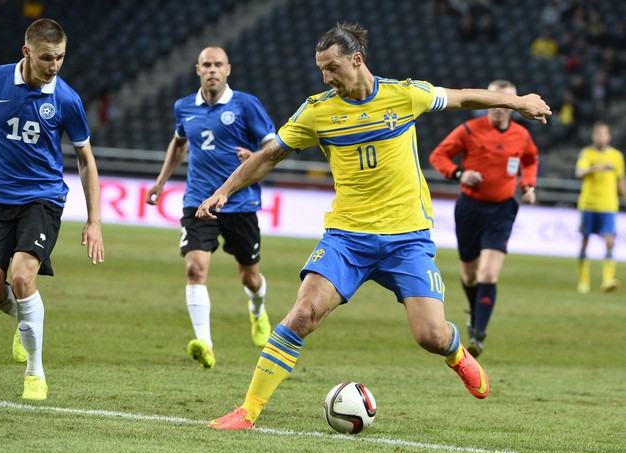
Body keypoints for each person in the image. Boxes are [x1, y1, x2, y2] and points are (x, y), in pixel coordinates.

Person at [196, 23, 551, 429]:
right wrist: (225, 190)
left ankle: (455, 352)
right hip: (347, 238)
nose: (327, 78)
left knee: (430, 336)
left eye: (332, 68)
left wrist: (519, 101)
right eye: (321, 70)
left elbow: (463, 97)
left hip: (407, 239)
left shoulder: (405, 94)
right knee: (302, 314)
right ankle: (248, 411)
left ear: (356, 60)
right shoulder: (317, 111)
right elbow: (269, 154)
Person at [0, 18, 104, 400]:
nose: (55, 66)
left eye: (60, 57)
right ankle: (25, 316)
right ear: (26, 52)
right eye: (47, 58)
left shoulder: (66, 99)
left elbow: (86, 159)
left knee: (23, 278)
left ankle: (35, 373)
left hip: (41, 201)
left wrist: (94, 221)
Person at [145, 47, 275, 369]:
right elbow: (179, 143)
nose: (213, 70)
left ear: (228, 69)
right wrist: (161, 181)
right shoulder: (184, 107)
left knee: (250, 278)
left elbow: (273, 146)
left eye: (218, 65)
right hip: (198, 201)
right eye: (207, 65)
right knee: (195, 269)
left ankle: (257, 310)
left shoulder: (247, 105)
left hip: (239, 202)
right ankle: (205, 343)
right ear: (197, 69)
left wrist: (255, 158)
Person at [429, 80, 539, 358]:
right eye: (495, 101)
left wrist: (528, 184)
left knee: (488, 273)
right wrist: (458, 174)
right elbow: (438, 155)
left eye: (506, 103)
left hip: (501, 210)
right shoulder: (469, 130)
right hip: (469, 208)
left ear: (514, 106)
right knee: (469, 275)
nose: (500, 108)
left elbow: (529, 160)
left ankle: (478, 332)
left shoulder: (521, 136)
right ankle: (475, 313)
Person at [575, 121, 626, 294]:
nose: (600, 137)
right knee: (584, 241)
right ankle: (583, 281)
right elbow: (579, 173)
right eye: (597, 134)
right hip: (588, 204)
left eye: (603, 134)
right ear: (593, 136)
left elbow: (620, 181)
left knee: (610, 241)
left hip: (608, 205)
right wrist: (599, 167)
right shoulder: (587, 153)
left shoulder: (617, 156)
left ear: (609, 136)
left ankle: (608, 279)